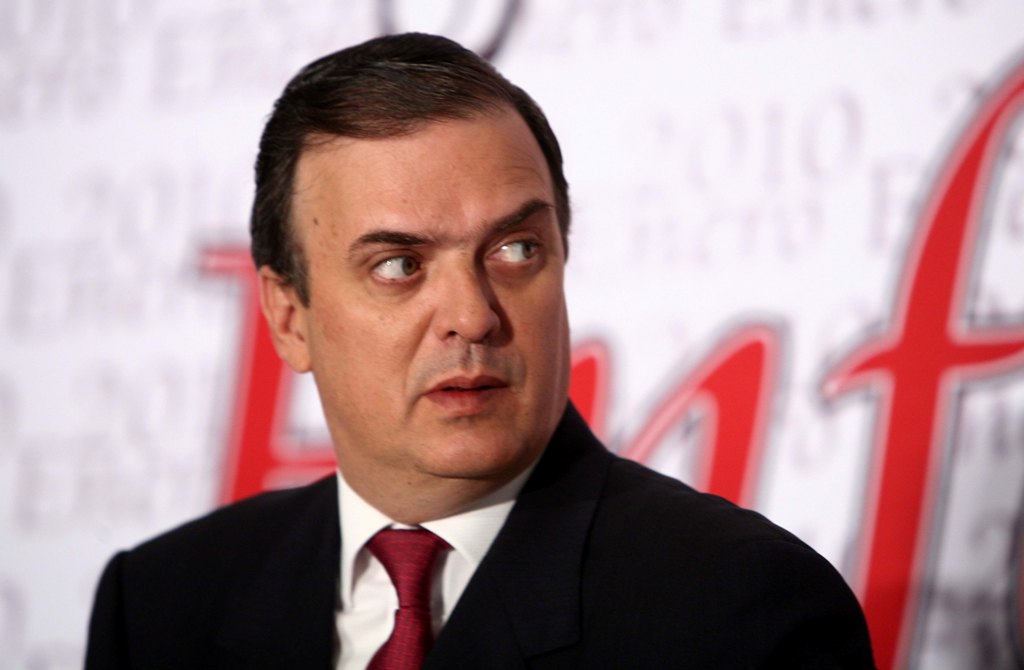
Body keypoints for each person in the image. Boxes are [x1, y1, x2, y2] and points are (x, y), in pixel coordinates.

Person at [85, 33, 875, 669]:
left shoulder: (738, 607)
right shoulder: (159, 606)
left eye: (516, 250)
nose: (472, 316)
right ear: (290, 318)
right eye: (399, 266)